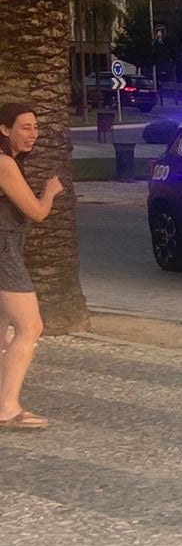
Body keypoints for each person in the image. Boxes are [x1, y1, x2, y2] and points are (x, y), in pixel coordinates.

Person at [0, 101, 63, 431]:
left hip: (7, 248)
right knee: (30, 327)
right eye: (25, 127)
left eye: (35, 127)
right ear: (4, 129)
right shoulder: (4, 164)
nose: (33, 133)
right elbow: (37, 212)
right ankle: (7, 408)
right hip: (4, 252)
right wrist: (49, 192)